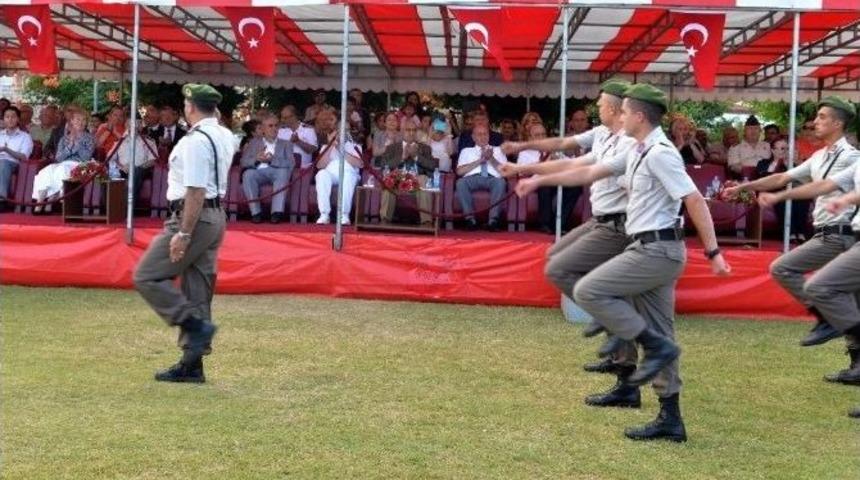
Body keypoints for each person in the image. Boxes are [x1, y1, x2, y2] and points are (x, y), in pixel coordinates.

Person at [524, 83, 730, 442]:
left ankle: (632, 341)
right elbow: (589, 172)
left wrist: (713, 252)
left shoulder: (660, 153)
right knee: (661, 333)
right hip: (648, 248)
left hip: (657, 250)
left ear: (637, 115)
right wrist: (537, 179)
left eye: (622, 111)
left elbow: (694, 200)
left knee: (590, 289)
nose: (617, 116)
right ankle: (670, 417)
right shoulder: (637, 149)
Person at [502, 79, 641, 405]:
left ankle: (626, 375)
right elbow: (566, 147)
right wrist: (524, 155)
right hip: (600, 221)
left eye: (602, 103)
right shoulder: (602, 134)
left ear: (618, 108)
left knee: (564, 271)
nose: (597, 107)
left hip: (618, 226)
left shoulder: (629, 144)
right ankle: (615, 344)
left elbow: (580, 169)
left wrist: (536, 177)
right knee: (556, 256)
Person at [728, 96, 858, 351]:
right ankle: (853, 360)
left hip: (841, 233)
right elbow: (782, 177)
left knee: (785, 268)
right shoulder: (820, 156)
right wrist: (744, 186)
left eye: (821, 118)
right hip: (826, 232)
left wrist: (779, 195)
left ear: (837, 123)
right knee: (851, 303)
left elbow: (820, 186)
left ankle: (825, 318)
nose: (814, 123)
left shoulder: (852, 157)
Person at [133, 84, 236, 383]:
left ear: (191, 107)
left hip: (192, 216)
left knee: (147, 275)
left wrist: (184, 233)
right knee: (198, 290)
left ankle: (192, 325)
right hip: (215, 216)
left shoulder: (195, 141)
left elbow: (195, 189)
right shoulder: (224, 134)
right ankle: (192, 366)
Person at [516, 122, 581, 234]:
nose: (541, 137)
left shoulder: (552, 149)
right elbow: (522, 171)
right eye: (537, 135)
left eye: (543, 134)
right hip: (534, 181)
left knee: (575, 186)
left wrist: (559, 160)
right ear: (530, 137)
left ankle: (559, 224)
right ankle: (544, 224)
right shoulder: (525, 153)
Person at [32, 110, 94, 212]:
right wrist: (70, 146)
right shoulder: (64, 139)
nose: (81, 122)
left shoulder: (89, 138)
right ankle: (40, 201)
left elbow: (85, 157)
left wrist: (76, 143)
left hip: (79, 165)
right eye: (78, 119)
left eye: (84, 120)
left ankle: (54, 199)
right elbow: (59, 157)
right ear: (72, 122)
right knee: (46, 171)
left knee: (62, 169)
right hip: (62, 163)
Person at [377, 121, 436, 225]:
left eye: (414, 130)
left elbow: (432, 166)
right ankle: (385, 220)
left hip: (418, 181)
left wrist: (416, 157)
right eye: (408, 130)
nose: (411, 133)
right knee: (389, 181)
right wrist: (402, 157)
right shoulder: (392, 148)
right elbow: (384, 165)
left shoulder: (425, 148)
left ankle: (426, 221)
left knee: (423, 179)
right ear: (402, 132)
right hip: (398, 180)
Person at [241, 114, 294, 224]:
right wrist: (256, 159)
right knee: (247, 174)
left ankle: (276, 212)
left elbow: (291, 164)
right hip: (259, 172)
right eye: (270, 126)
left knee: (283, 171)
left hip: (277, 172)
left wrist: (271, 160)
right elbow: (243, 162)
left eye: (276, 126)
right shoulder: (254, 142)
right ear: (263, 129)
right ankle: (256, 213)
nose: (274, 128)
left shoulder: (286, 144)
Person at [755, 138, 810, 242]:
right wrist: (778, 163)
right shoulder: (763, 163)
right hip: (771, 190)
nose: (785, 151)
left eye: (787, 148)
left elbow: (803, 178)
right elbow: (762, 176)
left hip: (790, 190)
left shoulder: (793, 164)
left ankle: (801, 232)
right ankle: (790, 233)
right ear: (773, 150)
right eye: (782, 148)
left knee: (802, 197)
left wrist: (790, 164)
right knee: (782, 198)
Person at [455, 124, 508, 231]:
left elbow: (505, 172)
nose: (483, 137)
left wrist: (491, 158)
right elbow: (459, 171)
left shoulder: (498, 150)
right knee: (460, 183)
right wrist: (480, 160)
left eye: (485, 134)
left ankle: (493, 221)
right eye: (479, 134)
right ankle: (470, 220)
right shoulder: (466, 151)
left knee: (501, 182)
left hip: (492, 179)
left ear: (489, 136)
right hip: (472, 178)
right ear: (473, 137)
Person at [314, 116, 363, 226]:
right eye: (342, 130)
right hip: (331, 173)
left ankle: (344, 215)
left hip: (349, 173)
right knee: (321, 174)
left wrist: (341, 149)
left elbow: (359, 164)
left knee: (349, 177)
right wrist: (331, 145)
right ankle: (324, 214)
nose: (345, 132)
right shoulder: (326, 146)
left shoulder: (355, 146)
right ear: (336, 131)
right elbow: (320, 165)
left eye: (347, 130)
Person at [106, 123, 159, 204]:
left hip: (141, 170)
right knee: (110, 174)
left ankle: (128, 206)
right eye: (131, 124)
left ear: (141, 126)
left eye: (137, 123)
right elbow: (110, 158)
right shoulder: (120, 141)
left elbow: (153, 160)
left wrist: (136, 168)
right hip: (123, 170)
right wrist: (121, 167)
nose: (134, 126)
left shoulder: (149, 141)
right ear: (127, 126)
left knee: (136, 172)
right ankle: (112, 208)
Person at [0, 106, 35, 202]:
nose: (10, 119)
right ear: (3, 119)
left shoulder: (25, 137)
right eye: (7, 117)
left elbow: (24, 156)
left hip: (14, 163)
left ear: (18, 119)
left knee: (3, 163)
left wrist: (6, 150)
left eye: (13, 117)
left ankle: (2, 199)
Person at [278, 105, 318, 170]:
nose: (283, 120)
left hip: (303, 170)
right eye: (282, 118)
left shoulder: (308, 129)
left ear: (293, 116)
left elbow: (313, 150)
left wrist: (298, 142)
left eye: (285, 118)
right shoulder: (280, 131)